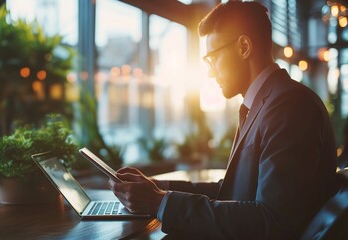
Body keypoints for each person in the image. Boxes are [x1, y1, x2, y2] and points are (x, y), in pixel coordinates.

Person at [109, 1, 337, 239]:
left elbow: (273, 220)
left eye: (213, 58)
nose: (209, 71)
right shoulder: (268, 103)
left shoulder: (289, 107)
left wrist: (159, 202)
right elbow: (232, 191)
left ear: (244, 47)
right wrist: (157, 189)